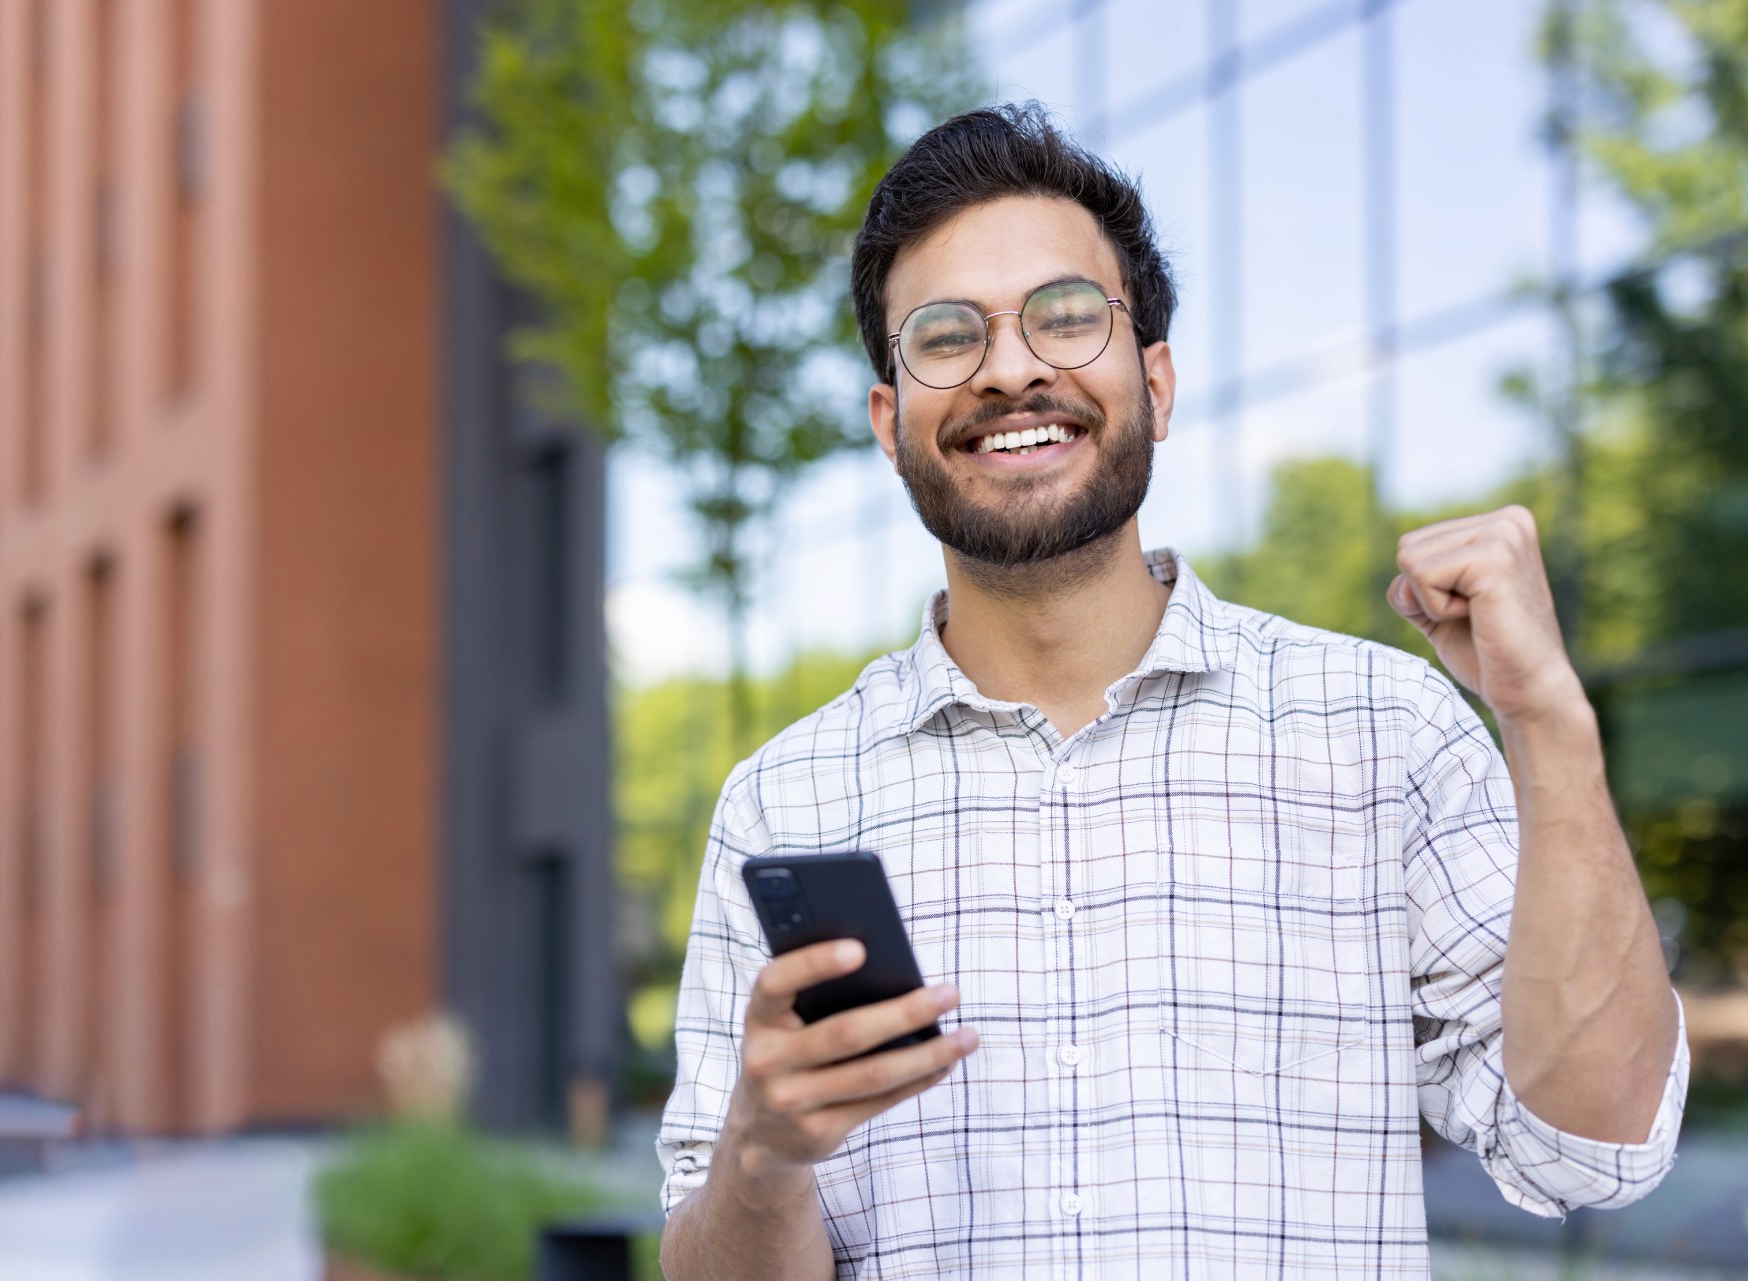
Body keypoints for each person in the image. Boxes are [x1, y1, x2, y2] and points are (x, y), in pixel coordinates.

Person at [655, 104, 1685, 1280]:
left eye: (1066, 317)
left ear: (1157, 381)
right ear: (892, 425)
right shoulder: (783, 804)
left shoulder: (1382, 734)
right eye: (945, 337)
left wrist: (1549, 723)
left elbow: (1593, 1151)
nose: (1011, 367)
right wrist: (762, 1153)